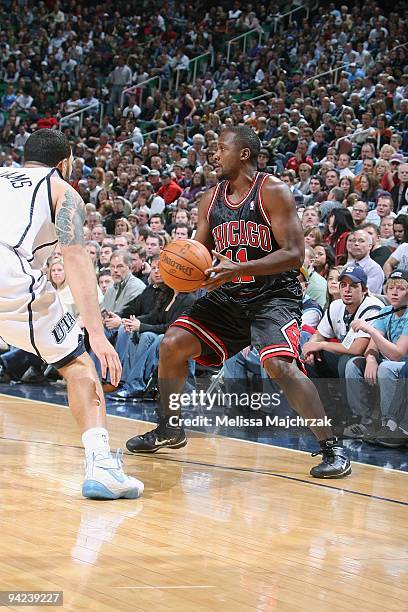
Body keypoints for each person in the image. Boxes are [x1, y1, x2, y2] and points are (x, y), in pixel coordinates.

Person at [126, 126, 351, 478]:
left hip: (273, 296)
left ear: (243, 154)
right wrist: (177, 266)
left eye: (220, 148)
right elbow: (198, 257)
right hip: (229, 297)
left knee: (280, 366)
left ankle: (331, 446)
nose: (213, 154)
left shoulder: (273, 191)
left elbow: (295, 255)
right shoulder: (209, 199)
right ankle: (169, 429)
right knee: (171, 344)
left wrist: (239, 268)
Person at [0, 129, 143, 501]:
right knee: (79, 366)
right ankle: (101, 466)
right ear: (65, 162)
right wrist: (96, 334)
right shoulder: (63, 190)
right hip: (8, 272)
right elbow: (76, 257)